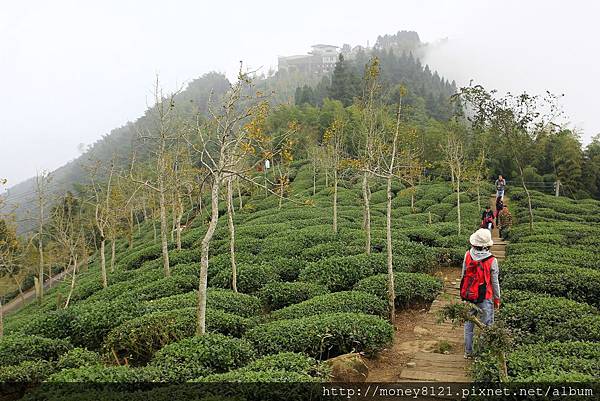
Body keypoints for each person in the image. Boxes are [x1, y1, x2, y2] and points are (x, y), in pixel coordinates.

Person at [461, 228, 501, 358]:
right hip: (486, 297)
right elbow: (495, 283)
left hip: (469, 295)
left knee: (468, 323)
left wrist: (463, 293)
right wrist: (497, 299)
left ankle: (468, 352)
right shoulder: (492, 260)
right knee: (487, 325)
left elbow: (463, 275)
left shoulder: (467, 255)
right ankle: (483, 354)